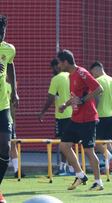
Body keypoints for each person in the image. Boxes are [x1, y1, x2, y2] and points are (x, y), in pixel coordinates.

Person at [56, 49, 104, 191]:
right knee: (64, 146)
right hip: (76, 119)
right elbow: (75, 96)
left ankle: (98, 182)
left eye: (59, 63)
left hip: (88, 119)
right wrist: (65, 105)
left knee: (89, 151)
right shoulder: (70, 76)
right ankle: (80, 174)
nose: (58, 66)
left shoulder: (81, 72)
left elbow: (98, 88)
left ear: (65, 62)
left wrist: (83, 100)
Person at [38, 59, 74, 176]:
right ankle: (66, 167)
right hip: (74, 114)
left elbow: (50, 98)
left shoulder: (56, 79)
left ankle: (70, 168)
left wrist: (42, 112)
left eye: (53, 68)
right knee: (69, 142)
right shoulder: (71, 75)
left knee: (64, 143)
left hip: (62, 115)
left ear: (57, 66)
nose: (52, 71)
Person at [0, 14, 19, 203]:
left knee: (5, 146)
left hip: (2, 105)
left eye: (3, 31)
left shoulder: (8, 49)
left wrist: (15, 92)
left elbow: (11, 66)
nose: (2, 35)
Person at [89, 61, 112, 173]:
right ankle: (108, 167)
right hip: (111, 115)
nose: (93, 75)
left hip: (100, 115)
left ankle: (111, 158)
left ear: (97, 69)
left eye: (93, 73)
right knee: (107, 141)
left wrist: (92, 112)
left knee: (96, 141)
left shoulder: (98, 81)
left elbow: (96, 99)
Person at [5, 80, 25, 178]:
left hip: (7, 120)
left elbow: (12, 108)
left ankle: (17, 170)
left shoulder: (10, 87)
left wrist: (13, 122)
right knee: (11, 145)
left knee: (12, 145)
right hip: (7, 120)